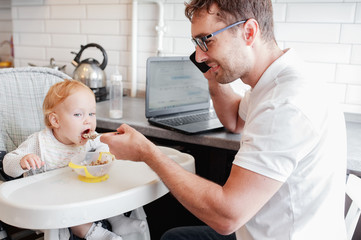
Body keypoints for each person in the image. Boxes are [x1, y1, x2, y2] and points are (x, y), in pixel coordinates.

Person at [101, 0, 348, 239]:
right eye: (197, 43)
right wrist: (212, 76)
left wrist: (146, 151)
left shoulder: (283, 104)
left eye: (207, 40)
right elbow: (235, 121)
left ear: (249, 32)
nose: (198, 56)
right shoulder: (276, 79)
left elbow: (227, 217)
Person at [3, 80, 146, 240]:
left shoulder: (91, 139)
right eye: (78, 114)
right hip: (52, 204)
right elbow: (8, 165)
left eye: (91, 114)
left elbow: (103, 147)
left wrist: (102, 155)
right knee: (74, 220)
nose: (88, 121)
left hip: (82, 193)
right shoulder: (39, 143)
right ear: (55, 121)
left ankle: (119, 220)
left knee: (109, 186)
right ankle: (100, 235)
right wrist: (23, 161)